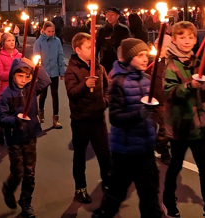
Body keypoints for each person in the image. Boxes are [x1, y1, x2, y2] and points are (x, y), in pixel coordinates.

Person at [162, 21, 205, 218]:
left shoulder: (197, 62)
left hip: (199, 125)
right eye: (181, 37)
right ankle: (168, 200)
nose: (187, 41)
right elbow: (169, 94)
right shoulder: (172, 66)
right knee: (175, 165)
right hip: (181, 125)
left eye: (190, 37)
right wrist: (189, 86)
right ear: (173, 39)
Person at [92, 38, 162, 218]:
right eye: (140, 55)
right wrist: (140, 114)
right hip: (125, 150)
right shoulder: (118, 82)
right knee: (116, 194)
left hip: (145, 149)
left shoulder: (148, 80)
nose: (145, 58)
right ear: (129, 58)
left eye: (146, 54)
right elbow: (115, 118)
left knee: (150, 197)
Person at [0, 58, 51, 218]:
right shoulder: (6, 95)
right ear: (13, 75)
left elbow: (46, 80)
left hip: (30, 135)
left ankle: (26, 203)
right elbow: (0, 118)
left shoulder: (31, 89)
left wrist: (36, 66)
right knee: (18, 171)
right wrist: (15, 120)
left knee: (30, 172)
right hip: (15, 138)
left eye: (27, 76)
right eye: (20, 76)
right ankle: (9, 188)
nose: (24, 80)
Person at [65, 33, 112, 204]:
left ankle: (108, 184)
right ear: (78, 50)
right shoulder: (72, 70)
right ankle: (80, 189)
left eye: (93, 47)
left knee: (104, 154)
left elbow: (107, 87)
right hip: (81, 120)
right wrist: (85, 85)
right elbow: (72, 93)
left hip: (98, 118)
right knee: (80, 155)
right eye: (88, 47)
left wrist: (105, 101)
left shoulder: (99, 67)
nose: (92, 50)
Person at [145, 35, 172, 165]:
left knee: (164, 128)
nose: (157, 49)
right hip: (150, 100)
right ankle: (151, 148)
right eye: (156, 47)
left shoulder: (169, 64)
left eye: (160, 47)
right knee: (149, 126)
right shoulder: (152, 63)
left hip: (163, 101)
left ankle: (163, 148)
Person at [33, 21, 65, 129]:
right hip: (44, 73)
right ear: (44, 30)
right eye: (49, 31)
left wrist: (62, 71)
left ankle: (56, 118)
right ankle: (40, 113)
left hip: (54, 72)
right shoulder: (39, 42)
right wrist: (38, 72)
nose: (51, 33)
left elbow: (60, 56)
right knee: (43, 94)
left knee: (55, 95)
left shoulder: (57, 41)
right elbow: (36, 57)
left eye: (53, 31)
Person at [0, 33, 22, 145]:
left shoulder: (19, 55)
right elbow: (0, 74)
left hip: (18, 91)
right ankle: (2, 131)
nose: (11, 42)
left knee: (17, 115)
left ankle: (15, 137)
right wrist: (14, 74)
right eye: (8, 40)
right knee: (6, 116)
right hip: (5, 90)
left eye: (13, 40)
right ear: (3, 43)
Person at [96, 7, 130, 73]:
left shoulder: (123, 29)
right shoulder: (102, 30)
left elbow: (128, 45)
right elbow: (97, 45)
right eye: (108, 15)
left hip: (120, 61)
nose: (109, 17)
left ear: (117, 16)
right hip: (105, 60)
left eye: (112, 15)